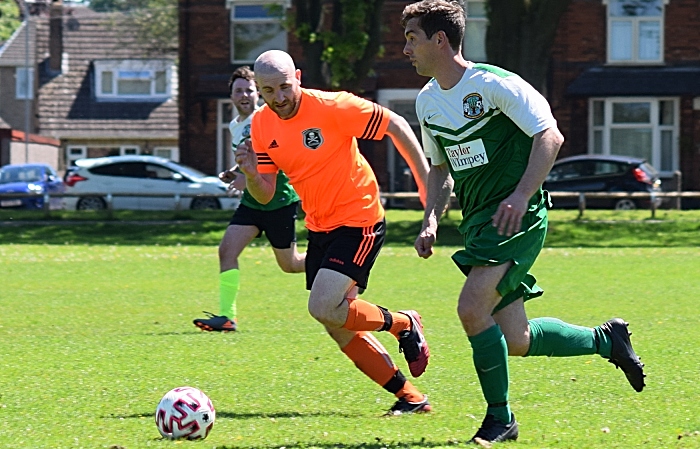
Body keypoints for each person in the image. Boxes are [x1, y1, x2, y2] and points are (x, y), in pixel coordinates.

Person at [401, 0, 646, 443]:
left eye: (412, 38)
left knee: (471, 308)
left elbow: (549, 134)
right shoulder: (427, 101)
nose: (406, 48)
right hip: (481, 222)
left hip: (516, 216)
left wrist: (521, 194)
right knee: (518, 338)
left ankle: (502, 420)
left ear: (440, 40)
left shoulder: (495, 83)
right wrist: (430, 221)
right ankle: (606, 341)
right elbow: (439, 169)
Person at [235, 49, 433, 415]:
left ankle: (404, 323)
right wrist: (250, 174)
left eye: (283, 87)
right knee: (337, 322)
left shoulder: (332, 107)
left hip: (359, 219)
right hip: (320, 226)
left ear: (297, 76)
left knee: (323, 306)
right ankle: (411, 398)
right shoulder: (261, 125)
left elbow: (396, 126)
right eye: (267, 91)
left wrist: (426, 190)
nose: (278, 98)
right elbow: (264, 191)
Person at [193, 66, 304, 332]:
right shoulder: (235, 125)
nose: (244, 95)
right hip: (252, 203)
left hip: (278, 200)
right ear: (231, 95)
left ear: (258, 94)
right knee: (226, 251)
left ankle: (336, 263)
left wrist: (246, 178)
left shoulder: (266, 118)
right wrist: (234, 172)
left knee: (290, 265)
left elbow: (274, 158)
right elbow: (248, 159)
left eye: (249, 90)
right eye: (238, 90)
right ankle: (226, 316)